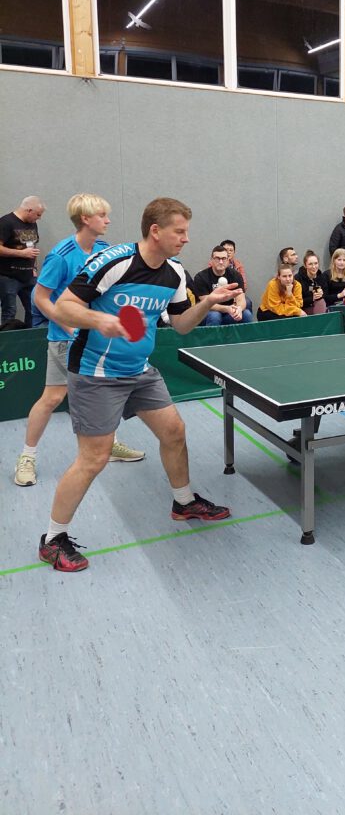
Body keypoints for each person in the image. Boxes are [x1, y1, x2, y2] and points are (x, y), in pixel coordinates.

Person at [38, 197, 234, 573]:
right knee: (94, 458)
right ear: (155, 231)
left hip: (139, 370)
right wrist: (99, 320)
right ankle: (52, 539)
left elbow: (181, 324)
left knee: (174, 431)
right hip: (96, 373)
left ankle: (183, 502)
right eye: (179, 231)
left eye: (187, 232)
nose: (186, 238)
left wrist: (207, 302)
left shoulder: (175, 273)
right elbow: (63, 306)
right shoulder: (115, 261)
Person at [13, 194, 145, 489]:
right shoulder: (62, 255)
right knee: (52, 398)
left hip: (96, 340)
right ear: (85, 219)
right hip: (65, 339)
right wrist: (68, 325)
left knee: (104, 395)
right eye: (102, 215)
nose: (108, 220)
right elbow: (40, 297)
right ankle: (27, 457)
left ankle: (110, 444)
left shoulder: (104, 250)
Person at [0, 195, 45, 326]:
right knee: (10, 312)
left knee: (34, 309)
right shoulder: (6, 222)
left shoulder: (33, 224)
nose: (39, 218)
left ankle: (30, 337)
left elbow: (32, 247)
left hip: (28, 276)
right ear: (29, 210)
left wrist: (34, 268)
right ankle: (8, 338)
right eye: (38, 214)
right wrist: (21, 253)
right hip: (8, 277)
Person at [194, 245, 253, 325]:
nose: (221, 262)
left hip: (228, 312)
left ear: (228, 260)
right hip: (207, 313)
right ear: (211, 260)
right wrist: (227, 308)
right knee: (215, 315)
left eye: (224, 258)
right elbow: (207, 304)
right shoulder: (201, 277)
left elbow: (241, 300)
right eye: (217, 258)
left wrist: (238, 309)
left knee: (246, 314)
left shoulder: (236, 275)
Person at [295, 250, 328, 315]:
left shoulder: (322, 277)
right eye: (310, 264)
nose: (314, 267)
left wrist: (322, 294)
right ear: (305, 265)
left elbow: (326, 295)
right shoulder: (298, 278)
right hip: (303, 309)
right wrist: (312, 298)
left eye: (316, 263)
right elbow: (297, 302)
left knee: (321, 301)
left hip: (319, 306)